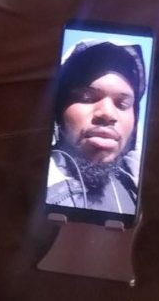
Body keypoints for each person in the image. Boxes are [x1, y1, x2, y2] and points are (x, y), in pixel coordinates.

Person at [46, 40, 146, 214]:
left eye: (122, 103)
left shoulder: (138, 189)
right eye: (86, 97)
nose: (107, 113)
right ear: (58, 111)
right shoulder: (29, 187)